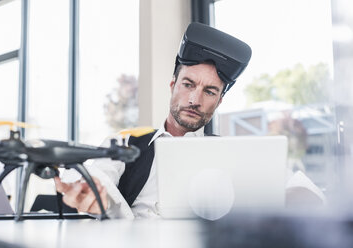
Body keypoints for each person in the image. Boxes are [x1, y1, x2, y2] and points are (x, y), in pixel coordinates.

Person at [54, 23, 324, 218]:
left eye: (210, 91)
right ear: (172, 85)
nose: (195, 99)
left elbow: (301, 190)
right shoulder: (125, 143)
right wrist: (91, 192)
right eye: (188, 84)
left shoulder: (231, 153)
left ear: (219, 102)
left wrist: (284, 201)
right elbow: (100, 176)